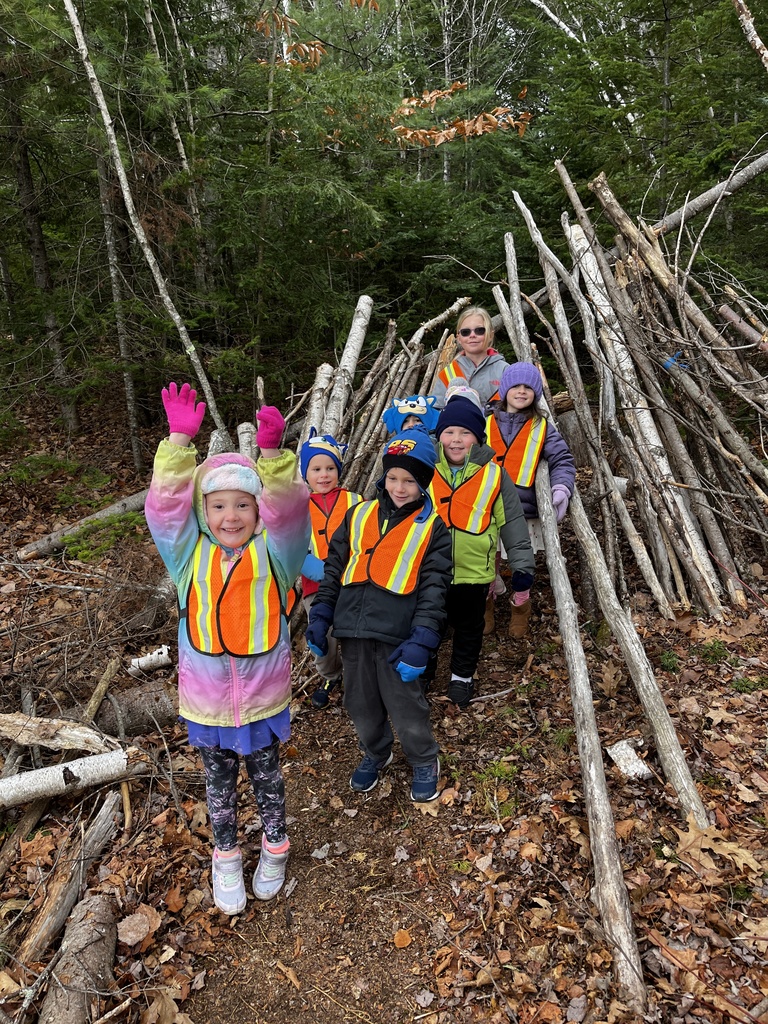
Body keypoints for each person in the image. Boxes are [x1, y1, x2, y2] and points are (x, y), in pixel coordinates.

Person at [144, 382, 310, 914]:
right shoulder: (187, 559)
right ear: (203, 512)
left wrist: (275, 459)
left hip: (262, 699)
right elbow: (165, 510)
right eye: (218, 506)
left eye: (243, 505)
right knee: (218, 787)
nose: (231, 517)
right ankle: (227, 859)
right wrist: (176, 445)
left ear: (258, 512)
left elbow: (290, 512)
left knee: (266, 778)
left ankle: (275, 848)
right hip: (208, 702)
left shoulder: (277, 555)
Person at [305, 425, 451, 802]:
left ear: (424, 483)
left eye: (410, 480)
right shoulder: (358, 515)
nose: (399, 487)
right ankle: (376, 751)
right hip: (352, 631)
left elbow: (435, 589)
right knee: (360, 702)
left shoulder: (432, 528)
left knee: (406, 705)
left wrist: (423, 640)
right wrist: (321, 615)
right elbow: (335, 567)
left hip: (397, 636)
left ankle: (423, 759)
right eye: (393, 477)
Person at [427, 392, 534, 707]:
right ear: (439, 435)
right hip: (431, 569)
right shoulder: (425, 469)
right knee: (429, 623)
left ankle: (462, 675)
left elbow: (513, 523)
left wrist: (522, 566)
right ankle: (425, 671)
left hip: (476, 572)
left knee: (470, 627)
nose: (456, 439)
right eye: (449, 432)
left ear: (478, 437)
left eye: (465, 432)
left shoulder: (494, 474)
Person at [486, 362, 576, 637]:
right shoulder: (485, 422)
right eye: (516, 386)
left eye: (528, 387)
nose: (522, 391)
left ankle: (520, 604)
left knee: (522, 563)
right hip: (486, 506)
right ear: (505, 389)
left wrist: (561, 487)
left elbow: (562, 459)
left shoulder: (542, 427)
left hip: (525, 510)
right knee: (487, 559)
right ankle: (486, 603)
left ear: (536, 393)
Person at [299, 428, 363, 709]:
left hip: (351, 582)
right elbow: (292, 548)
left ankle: (355, 680)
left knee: (350, 633)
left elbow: (365, 537)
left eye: (329, 468)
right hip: (316, 587)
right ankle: (329, 675)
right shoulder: (298, 508)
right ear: (306, 474)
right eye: (316, 468)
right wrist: (316, 570)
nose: (323, 475)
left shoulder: (355, 500)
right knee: (322, 637)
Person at [432, 306, 509, 409]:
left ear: (490, 334)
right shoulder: (448, 374)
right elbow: (436, 413)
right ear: (458, 338)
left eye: (479, 330)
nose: (472, 335)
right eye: (465, 332)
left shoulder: (505, 371)